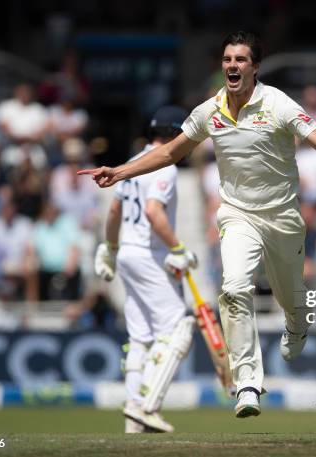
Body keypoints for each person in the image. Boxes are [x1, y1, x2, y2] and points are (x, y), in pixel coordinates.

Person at [79, 31, 316, 419]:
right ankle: (247, 382)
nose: (233, 66)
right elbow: (169, 152)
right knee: (233, 289)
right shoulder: (209, 111)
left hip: (282, 216)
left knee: (290, 296)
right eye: (228, 59)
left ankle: (297, 324)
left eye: (241, 60)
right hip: (237, 215)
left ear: (255, 68)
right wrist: (120, 172)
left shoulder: (278, 103)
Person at [93, 106, 197, 434]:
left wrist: (110, 249)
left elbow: (114, 209)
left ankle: (132, 421)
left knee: (140, 338)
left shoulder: (133, 162)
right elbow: (154, 212)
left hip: (127, 253)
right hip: (149, 256)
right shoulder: (163, 165)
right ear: (173, 134)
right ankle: (145, 406)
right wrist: (179, 249)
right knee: (178, 328)